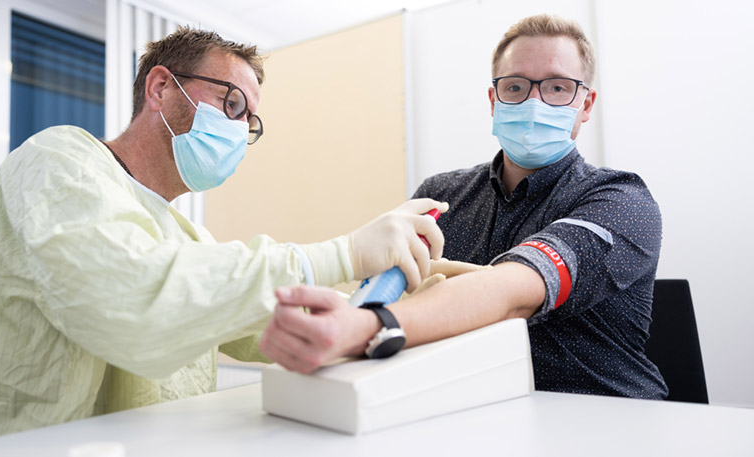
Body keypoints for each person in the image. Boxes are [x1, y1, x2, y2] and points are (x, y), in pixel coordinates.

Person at [0, 28, 448, 452]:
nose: (239, 130)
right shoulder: (59, 160)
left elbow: (257, 321)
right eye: (231, 103)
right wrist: (342, 252)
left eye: (250, 121)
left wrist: (371, 310)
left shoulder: (182, 231)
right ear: (161, 87)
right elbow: (132, 301)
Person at [259, 14, 667, 400]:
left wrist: (367, 326)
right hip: (469, 406)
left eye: (558, 87)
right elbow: (390, 289)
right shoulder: (441, 196)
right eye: (516, 87)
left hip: (605, 413)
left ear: (587, 104)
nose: (535, 101)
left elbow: (515, 294)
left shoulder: (621, 200)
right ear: (494, 99)